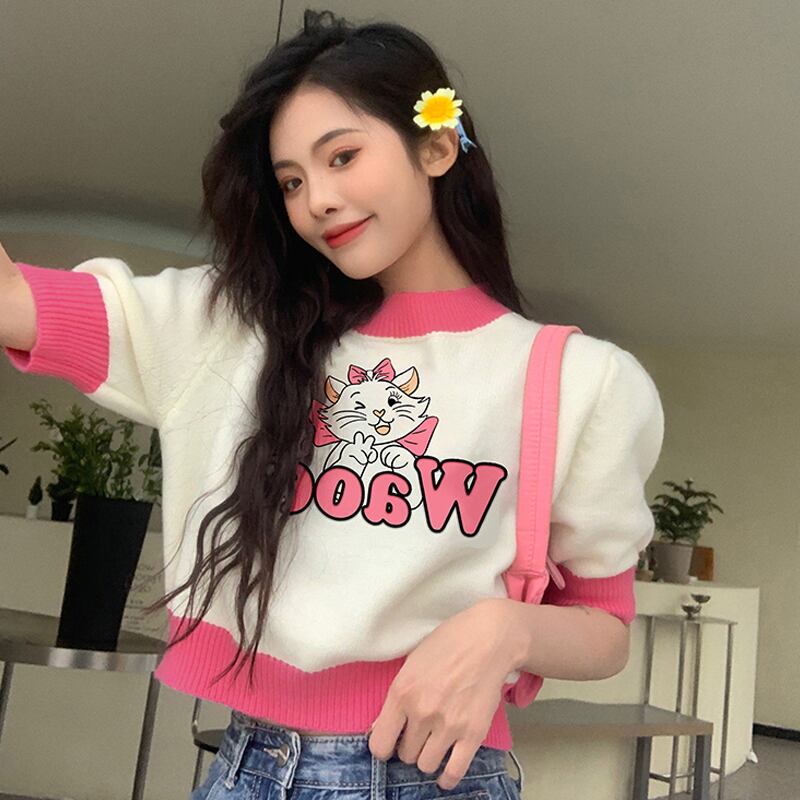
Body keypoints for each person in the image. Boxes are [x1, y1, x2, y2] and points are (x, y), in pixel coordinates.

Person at [0, 8, 665, 800]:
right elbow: (18, 303)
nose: (317, 199)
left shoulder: (580, 380)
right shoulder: (237, 330)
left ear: (436, 145)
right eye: (291, 181)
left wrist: (507, 627)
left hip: (430, 776)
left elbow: (605, 629)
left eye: (342, 156)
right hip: (244, 766)